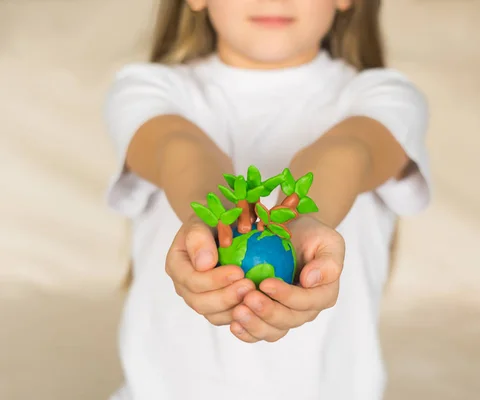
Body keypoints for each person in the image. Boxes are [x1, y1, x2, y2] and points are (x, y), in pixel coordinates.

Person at [104, 0, 431, 399]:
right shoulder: (147, 88)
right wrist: (213, 220)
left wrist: (297, 218)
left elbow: (348, 152)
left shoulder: (386, 96)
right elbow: (178, 150)